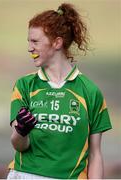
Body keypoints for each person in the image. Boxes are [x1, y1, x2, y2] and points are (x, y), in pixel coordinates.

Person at [7, 3, 112, 179]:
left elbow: (95, 155)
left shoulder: (90, 92)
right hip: (25, 175)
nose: (30, 48)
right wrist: (21, 131)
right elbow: (19, 145)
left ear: (57, 42)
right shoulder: (24, 86)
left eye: (35, 41)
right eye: (29, 42)